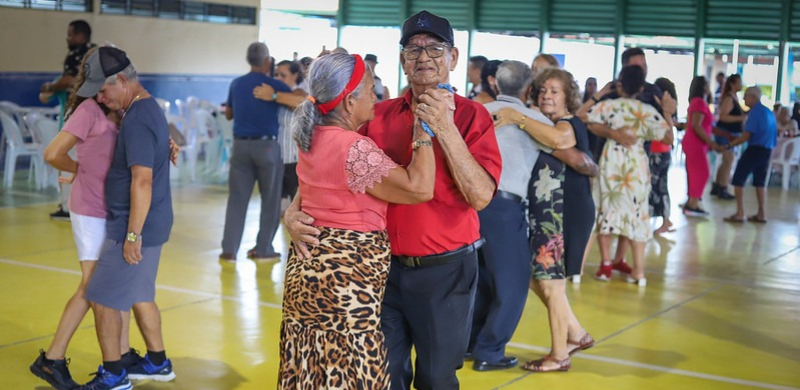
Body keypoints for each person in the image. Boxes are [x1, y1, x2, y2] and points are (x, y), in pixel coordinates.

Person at [285, 10, 503, 390]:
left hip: (445, 271)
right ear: (402, 61)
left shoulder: (474, 116)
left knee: (437, 378)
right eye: (413, 50)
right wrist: (292, 210)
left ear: (453, 58)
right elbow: (336, 163)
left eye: (435, 49)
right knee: (384, 376)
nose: (423, 58)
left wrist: (445, 129)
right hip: (382, 274)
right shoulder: (377, 114)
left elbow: (481, 196)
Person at [278, 52, 435, 390]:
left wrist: (290, 213)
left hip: (308, 275)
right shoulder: (354, 149)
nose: (376, 97)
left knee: (312, 366)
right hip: (346, 284)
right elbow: (418, 189)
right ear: (349, 102)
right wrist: (424, 133)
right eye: (369, 90)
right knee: (351, 368)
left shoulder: (311, 135)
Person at [31, 46, 131, 390]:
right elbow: (52, 153)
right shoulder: (89, 109)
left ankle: (112, 355)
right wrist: (80, 170)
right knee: (94, 287)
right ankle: (52, 360)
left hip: (115, 209)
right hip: (89, 209)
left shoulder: (121, 106)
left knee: (105, 287)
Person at [76, 46, 176, 390]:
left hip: (134, 225)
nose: (101, 99)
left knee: (101, 297)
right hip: (154, 220)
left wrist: (132, 235)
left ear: (122, 80)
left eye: (103, 91)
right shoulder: (147, 108)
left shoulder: (136, 119)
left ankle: (114, 375)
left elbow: (142, 179)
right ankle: (158, 362)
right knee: (139, 294)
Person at [493, 67, 598, 373]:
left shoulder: (567, 124)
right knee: (535, 277)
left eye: (555, 91)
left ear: (568, 97)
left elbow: (559, 140)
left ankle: (558, 354)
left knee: (551, 286)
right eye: (543, 91)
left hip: (561, 214)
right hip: (547, 213)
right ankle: (575, 333)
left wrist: (516, 117)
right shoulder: (543, 123)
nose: (547, 95)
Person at [469, 60, 555, 372]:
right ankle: (489, 352)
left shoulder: (478, 113)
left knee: (481, 279)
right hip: (504, 208)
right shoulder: (532, 119)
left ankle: (470, 343)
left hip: (471, 206)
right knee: (513, 284)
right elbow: (563, 143)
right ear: (528, 89)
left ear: (495, 83)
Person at [579, 47, 673, 278]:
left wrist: (598, 97)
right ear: (640, 87)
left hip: (611, 162)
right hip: (636, 164)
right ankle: (637, 272)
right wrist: (669, 114)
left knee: (606, 210)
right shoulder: (648, 108)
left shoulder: (609, 105)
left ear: (621, 83)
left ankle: (608, 263)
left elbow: (581, 116)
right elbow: (668, 137)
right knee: (636, 211)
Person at [219, 42, 291, 262]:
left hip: (240, 147)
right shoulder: (273, 85)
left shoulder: (236, 84)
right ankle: (263, 249)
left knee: (237, 200)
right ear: (267, 61)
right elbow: (297, 100)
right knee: (270, 200)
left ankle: (229, 250)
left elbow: (228, 114)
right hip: (267, 147)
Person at [42, 20, 97, 222]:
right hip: (96, 117)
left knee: (65, 155)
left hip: (78, 116)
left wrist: (50, 86)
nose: (69, 38)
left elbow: (67, 81)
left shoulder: (76, 55)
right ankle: (84, 202)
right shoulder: (96, 53)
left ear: (81, 36)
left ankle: (68, 206)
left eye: (71, 34)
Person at [724, 87, 777, 224]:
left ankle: (740, 212)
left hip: (755, 149)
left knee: (738, 179)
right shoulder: (768, 112)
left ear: (754, 97)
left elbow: (747, 135)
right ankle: (762, 213)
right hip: (767, 150)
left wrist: (730, 144)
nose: (744, 99)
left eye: (746, 96)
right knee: (760, 182)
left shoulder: (755, 113)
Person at [258, 60, 308, 205]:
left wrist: (274, 95)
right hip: (277, 158)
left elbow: (301, 103)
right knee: (279, 206)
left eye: (283, 75)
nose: (278, 78)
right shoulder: (276, 96)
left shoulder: (297, 93)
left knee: (297, 206)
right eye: (276, 75)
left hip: (294, 160)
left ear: (294, 75)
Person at [683, 76, 725, 216]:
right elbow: (697, 125)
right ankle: (692, 204)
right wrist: (711, 142)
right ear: (703, 87)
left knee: (695, 173)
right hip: (696, 143)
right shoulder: (699, 102)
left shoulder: (697, 102)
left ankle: (692, 202)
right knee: (702, 173)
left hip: (694, 142)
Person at [711, 74, 746, 200]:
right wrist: (741, 118)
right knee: (728, 160)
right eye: (739, 82)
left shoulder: (734, 97)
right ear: (733, 84)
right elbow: (723, 117)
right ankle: (723, 187)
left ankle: (718, 185)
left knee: (726, 161)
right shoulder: (729, 98)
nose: (741, 85)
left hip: (729, 133)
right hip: (725, 133)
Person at [650, 77, 677, 234]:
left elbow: (668, 131)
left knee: (653, 186)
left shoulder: (662, 109)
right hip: (664, 151)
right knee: (661, 186)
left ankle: (664, 219)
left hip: (656, 151)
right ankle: (666, 219)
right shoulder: (668, 108)